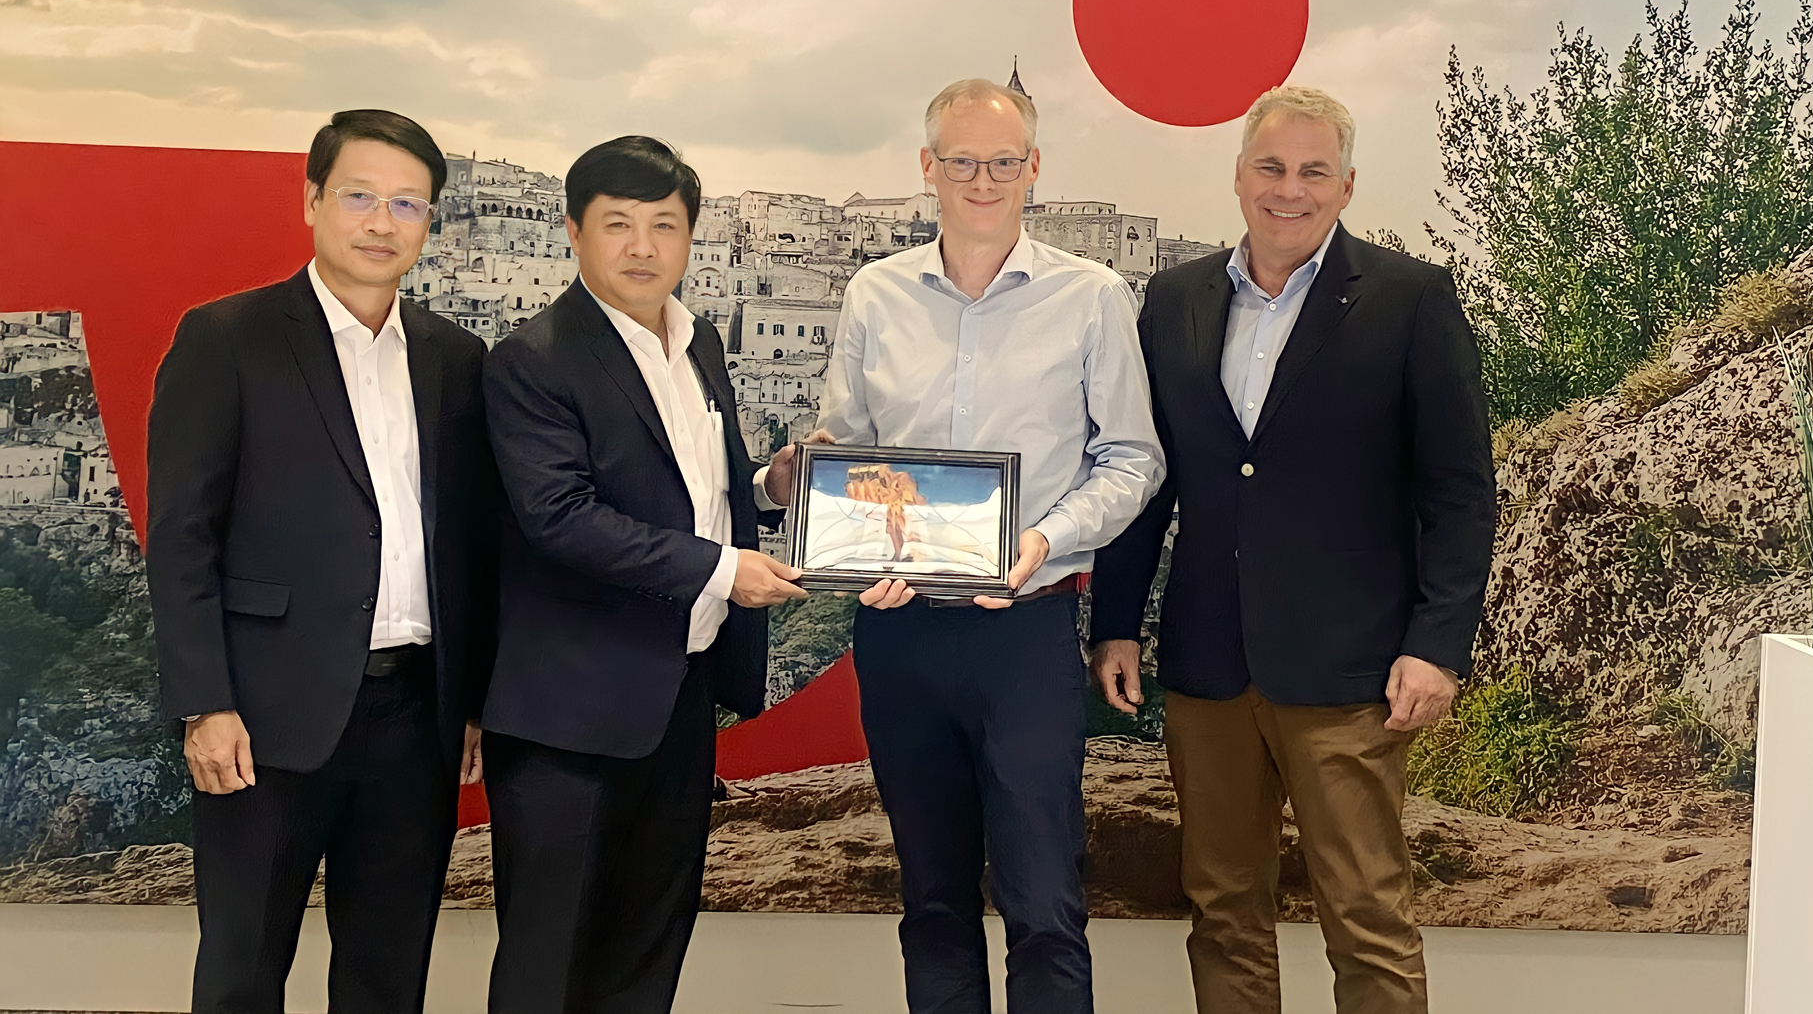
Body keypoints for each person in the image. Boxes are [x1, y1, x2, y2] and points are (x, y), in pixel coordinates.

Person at [1089, 87, 1496, 1014]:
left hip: (1352, 671)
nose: (1290, 189)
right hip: (1209, 664)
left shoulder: (1411, 299)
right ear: (1239, 175)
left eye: (1314, 171)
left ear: (1346, 186)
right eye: (1271, 167)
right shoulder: (1174, 297)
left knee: (1367, 919)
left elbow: (1460, 494)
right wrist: (1116, 622)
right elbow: (1148, 476)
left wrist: (1437, 644)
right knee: (1224, 911)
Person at [763, 78, 1162, 1014]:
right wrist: (826, 513)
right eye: (962, 161)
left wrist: (1044, 537)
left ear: (1034, 168)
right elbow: (846, 450)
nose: (983, 179)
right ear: (927, 168)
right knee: (932, 902)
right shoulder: (875, 293)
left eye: (1003, 161)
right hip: (900, 636)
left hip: (1025, 633)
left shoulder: (1093, 295)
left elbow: (1132, 459)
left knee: (1046, 905)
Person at [147, 109, 498, 1014]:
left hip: (417, 716)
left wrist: (470, 700)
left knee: (388, 972)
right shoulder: (228, 337)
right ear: (312, 201)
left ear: (430, 223)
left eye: (409, 204)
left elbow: (469, 540)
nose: (383, 223)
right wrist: (205, 702)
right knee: (242, 967)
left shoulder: (457, 359)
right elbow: (183, 535)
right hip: (265, 714)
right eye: (361, 197)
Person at [479, 135, 806, 1014]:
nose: (642, 246)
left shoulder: (698, 346)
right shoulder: (533, 360)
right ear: (576, 235)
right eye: (617, 224)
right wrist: (722, 569)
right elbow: (561, 518)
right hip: (568, 716)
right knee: (549, 965)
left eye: (664, 225)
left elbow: (703, 489)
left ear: (691, 238)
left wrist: (774, 490)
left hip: (678, 699)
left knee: (648, 952)